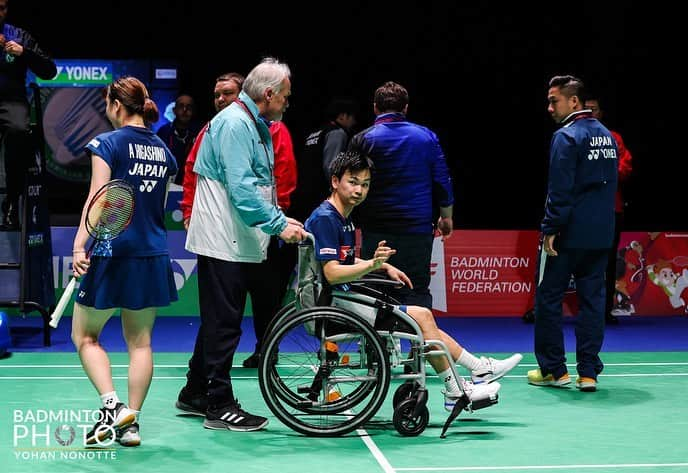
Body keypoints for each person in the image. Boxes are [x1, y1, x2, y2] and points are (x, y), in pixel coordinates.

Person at [305, 150, 522, 411]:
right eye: (353, 182)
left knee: (421, 319)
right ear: (335, 181)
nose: (359, 190)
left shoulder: (342, 217)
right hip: (340, 306)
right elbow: (331, 273)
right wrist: (372, 265)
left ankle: (477, 371)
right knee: (422, 317)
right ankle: (459, 387)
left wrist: (380, 265)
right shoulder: (326, 219)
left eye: (365, 184)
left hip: (349, 299)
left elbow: (346, 263)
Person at [180, 57, 306, 432]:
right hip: (224, 236)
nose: (287, 102)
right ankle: (218, 404)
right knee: (225, 323)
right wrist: (277, 224)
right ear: (268, 94)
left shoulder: (256, 123)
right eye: (284, 96)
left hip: (236, 234)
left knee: (220, 319)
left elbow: (261, 183)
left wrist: (281, 217)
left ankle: (194, 391)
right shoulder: (235, 124)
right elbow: (241, 190)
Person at [71, 76, 178, 447]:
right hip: (152, 252)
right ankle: (130, 424)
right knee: (141, 342)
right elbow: (158, 207)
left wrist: (79, 244)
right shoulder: (165, 152)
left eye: (106, 103)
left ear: (116, 104)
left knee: (84, 336)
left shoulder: (107, 143)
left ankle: (112, 406)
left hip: (112, 251)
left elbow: (100, 199)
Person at [527, 75, 618, 393]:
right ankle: (589, 372)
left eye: (554, 100)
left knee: (548, 298)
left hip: (567, 235)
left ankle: (554, 370)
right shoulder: (607, 135)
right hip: (601, 234)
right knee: (592, 301)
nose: (549, 107)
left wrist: (551, 228)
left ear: (574, 102)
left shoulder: (565, 136)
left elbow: (560, 190)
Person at [349, 82, 452, 309]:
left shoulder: (363, 139)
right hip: (416, 229)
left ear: (375, 108)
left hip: (376, 229)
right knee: (416, 290)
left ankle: (375, 344)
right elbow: (442, 181)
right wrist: (447, 216)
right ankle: (421, 343)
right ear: (405, 108)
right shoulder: (427, 137)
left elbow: (350, 185)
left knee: (374, 288)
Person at [0, 0, 57, 229]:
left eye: (3, 7)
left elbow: (49, 71)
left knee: (19, 130)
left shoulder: (19, 36)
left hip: (11, 100)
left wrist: (24, 53)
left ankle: (12, 205)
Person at [584, 95, 633, 325]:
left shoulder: (615, 138)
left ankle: (605, 311)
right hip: (584, 212)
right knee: (584, 260)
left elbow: (625, 168)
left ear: (601, 113)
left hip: (611, 210)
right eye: (587, 109)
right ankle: (587, 310)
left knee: (609, 261)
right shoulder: (577, 137)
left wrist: (604, 173)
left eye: (594, 109)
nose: (590, 113)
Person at [180, 73, 245, 230]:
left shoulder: (263, 128)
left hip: (249, 221)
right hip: (211, 222)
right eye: (217, 95)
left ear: (243, 96)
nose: (221, 99)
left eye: (228, 93)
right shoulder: (207, 131)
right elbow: (191, 171)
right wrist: (189, 212)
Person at [290, 97, 358, 223]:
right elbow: (332, 167)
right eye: (352, 117)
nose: (354, 122)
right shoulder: (337, 133)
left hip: (303, 196)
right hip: (320, 199)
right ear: (343, 116)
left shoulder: (314, 133)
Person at [155, 93, 202, 185]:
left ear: (194, 110)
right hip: (168, 184)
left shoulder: (200, 132)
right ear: (174, 110)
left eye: (189, 107)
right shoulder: (163, 132)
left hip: (193, 184)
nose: (185, 110)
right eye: (181, 106)